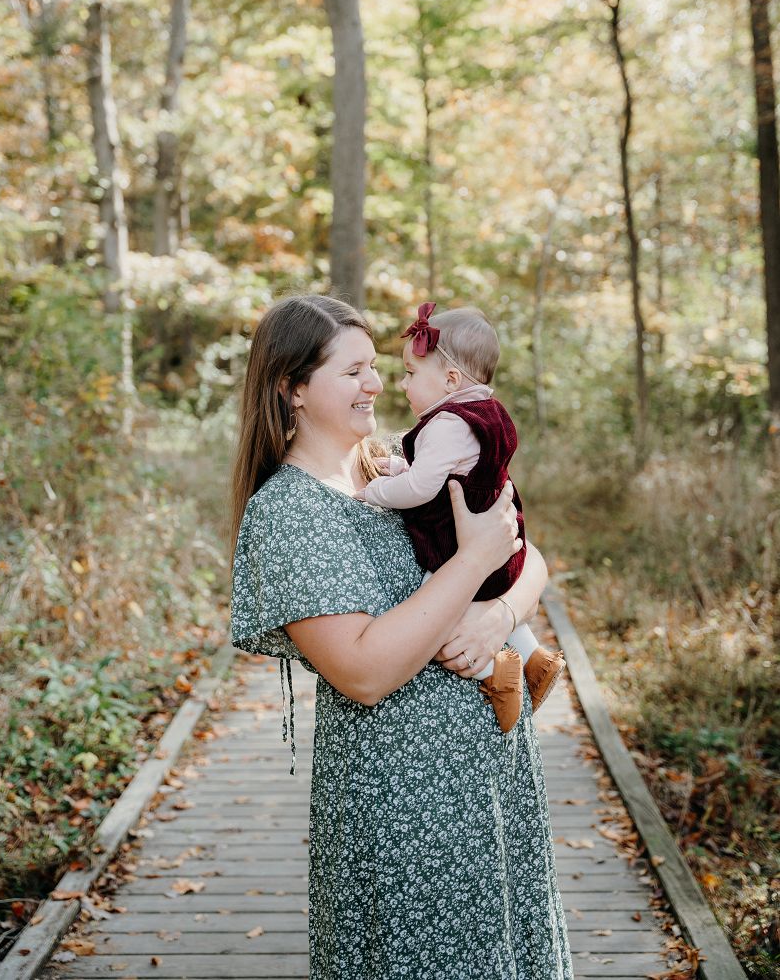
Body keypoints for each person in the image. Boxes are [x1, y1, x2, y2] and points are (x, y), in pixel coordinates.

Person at [230, 294, 574, 979]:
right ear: (292, 388)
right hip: (402, 804)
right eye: (353, 371)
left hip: (492, 779)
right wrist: (472, 562)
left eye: (376, 367)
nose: (377, 384)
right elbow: (362, 672)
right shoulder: (289, 512)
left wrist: (500, 615)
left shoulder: (394, 464)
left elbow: (524, 552)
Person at [358, 302, 565, 732]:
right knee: (463, 604)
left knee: (433, 612)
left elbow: (420, 488)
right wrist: (399, 468)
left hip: (456, 545)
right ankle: (534, 658)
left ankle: (496, 673)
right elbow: (440, 469)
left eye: (411, 374)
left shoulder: (447, 424)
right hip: (502, 545)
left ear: (451, 380)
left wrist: (373, 492)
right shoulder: (484, 412)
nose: (400, 384)